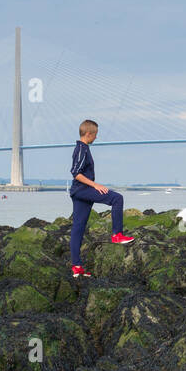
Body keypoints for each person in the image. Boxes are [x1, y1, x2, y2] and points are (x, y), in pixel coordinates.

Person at [68, 119, 133, 278]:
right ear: (88, 134)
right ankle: (117, 235)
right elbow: (76, 172)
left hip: (80, 192)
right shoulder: (82, 149)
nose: (96, 138)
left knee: (78, 227)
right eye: (95, 135)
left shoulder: (82, 148)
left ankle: (76, 267)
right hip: (82, 189)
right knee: (117, 198)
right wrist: (95, 185)